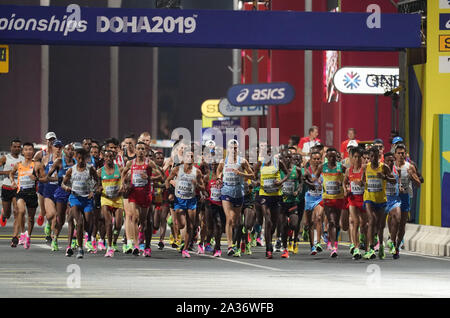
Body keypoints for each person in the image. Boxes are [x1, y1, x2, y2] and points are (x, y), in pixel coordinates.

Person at [121, 142, 162, 257]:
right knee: (134, 218)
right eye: (138, 149)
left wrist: (149, 177)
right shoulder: (131, 163)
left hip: (146, 195)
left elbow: (161, 176)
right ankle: (136, 246)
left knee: (143, 222)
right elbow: (123, 172)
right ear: (135, 150)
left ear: (145, 151)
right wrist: (123, 184)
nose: (140, 151)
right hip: (134, 194)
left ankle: (141, 238)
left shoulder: (150, 163)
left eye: (142, 149)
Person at [217, 139, 254, 256]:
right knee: (230, 218)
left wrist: (241, 174)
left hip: (238, 192)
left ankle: (241, 240)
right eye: (231, 148)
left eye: (235, 148)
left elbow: (252, 175)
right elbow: (218, 171)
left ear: (238, 149)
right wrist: (219, 178)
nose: (233, 150)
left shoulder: (242, 161)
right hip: (226, 191)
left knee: (236, 222)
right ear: (228, 149)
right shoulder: (223, 161)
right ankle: (230, 245)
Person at [165, 150, 205, 258]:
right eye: (187, 156)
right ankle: (181, 232)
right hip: (179, 200)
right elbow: (167, 180)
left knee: (190, 225)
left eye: (192, 156)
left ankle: (185, 249)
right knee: (182, 224)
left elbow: (203, 187)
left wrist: (196, 184)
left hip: (191, 200)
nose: (189, 158)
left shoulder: (197, 172)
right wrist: (171, 192)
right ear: (184, 158)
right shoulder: (177, 169)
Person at [62, 148, 99, 259]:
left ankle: (83, 236)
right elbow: (63, 184)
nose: (81, 160)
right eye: (79, 158)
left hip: (87, 199)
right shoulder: (71, 170)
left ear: (86, 158)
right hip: (75, 199)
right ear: (75, 158)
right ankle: (80, 249)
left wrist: (93, 191)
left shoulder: (90, 169)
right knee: (79, 222)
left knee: (88, 225)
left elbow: (98, 181)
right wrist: (66, 188)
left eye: (83, 158)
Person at [253, 145, 289, 259]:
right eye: (266, 152)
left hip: (276, 196)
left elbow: (287, 173)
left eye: (270, 152)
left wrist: (281, 181)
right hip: (264, 195)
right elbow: (254, 177)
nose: (268, 154)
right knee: (267, 220)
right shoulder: (260, 164)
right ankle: (268, 248)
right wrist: (257, 182)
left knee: (273, 223)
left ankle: (270, 238)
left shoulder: (278, 162)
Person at [362, 146, 395, 260]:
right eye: (372, 156)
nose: (374, 158)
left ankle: (381, 245)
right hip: (369, 198)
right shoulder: (366, 167)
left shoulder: (384, 167)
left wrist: (384, 177)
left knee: (380, 226)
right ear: (369, 157)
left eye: (376, 156)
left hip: (381, 200)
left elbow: (394, 180)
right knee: (371, 220)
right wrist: (360, 184)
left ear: (379, 156)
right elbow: (363, 181)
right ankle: (371, 248)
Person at [8, 142, 40, 249]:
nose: (28, 152)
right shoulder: (19, 164)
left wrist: (37, 179)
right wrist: (12, 181)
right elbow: (11, 173)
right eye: (26, 150)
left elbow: (44, 178)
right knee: (20, 211)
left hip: (32, 194)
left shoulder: (36, 165)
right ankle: (15, 237)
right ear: (23, 152)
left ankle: (28, 236)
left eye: (30, 150)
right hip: (20, 192)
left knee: (30, 218)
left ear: (33, 151)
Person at [45, 143, 76, 251]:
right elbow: (47, 177)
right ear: (64, 151)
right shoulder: (59, 162)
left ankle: (72, 241)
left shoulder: (76, 163)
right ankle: (55, 239)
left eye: (73, 149)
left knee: (72, 217)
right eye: (68, 149)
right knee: (61, 219)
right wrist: (58, 180)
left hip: (73, 192)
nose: (71, 151)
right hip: (61, 192)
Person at [319, 148, 346, 258]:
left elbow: (348, 178)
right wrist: (313, 182)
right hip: (327, 198)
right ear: (326, 157)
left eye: (334, 156)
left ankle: (333, 240)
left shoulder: (341, 167)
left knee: (337, 223)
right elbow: (315, 177)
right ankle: (334, 248)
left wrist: (343, 183)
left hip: (339, 198)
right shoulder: (323, 167)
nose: (332, 158)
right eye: (329, 156)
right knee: (331, 221)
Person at [394, 144, 421, 252]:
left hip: (405, 196)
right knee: (395, 219)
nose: (401, 155)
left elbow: (418, 184)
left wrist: (412, 177)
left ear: (405, 154)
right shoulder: (391, 166)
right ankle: (391, 239)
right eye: (399, 153)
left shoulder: (409, 167)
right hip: (393, 197)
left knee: (402, 224)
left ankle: (398, 244)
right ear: (395, 154)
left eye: (403, 153)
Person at [97, 150, 124, 257]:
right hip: (106, 199)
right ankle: (109, 247)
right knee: (108, 223)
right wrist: (98, 188)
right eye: (106, 156)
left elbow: (124, 182)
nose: (108, 158)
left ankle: (113, 241)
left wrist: (122, 188)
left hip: (117, 199)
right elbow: (96, 185)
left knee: (118, 224)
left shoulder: (120, 169)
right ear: (104, 158)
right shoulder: (100, 171)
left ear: (114, 157)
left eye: (110, 156)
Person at [343, 146, 366, 260]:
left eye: (359, 157)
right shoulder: (348, 170)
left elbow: (367, 183)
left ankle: (362, 241)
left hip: (363, 199)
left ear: (362, 158)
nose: (357, 159)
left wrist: (363, 184)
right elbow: (345, 182)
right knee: (355, 222)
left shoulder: (365, 169)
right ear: (351, 158)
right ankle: (356, 247)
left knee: (363, 223)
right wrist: (345, 190)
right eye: (355, 157)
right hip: (352, 199)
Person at [279, 151, 303, 258]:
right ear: (282, 158)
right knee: (283, 226)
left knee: (293, 224)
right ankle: (285, 249)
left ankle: (290, 236)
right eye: (286, 157)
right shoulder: (278, 170)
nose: (288, 159)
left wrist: (298, 191)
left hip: (293, 201)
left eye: (290, 157)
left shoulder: (297, 170)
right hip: (281, 202)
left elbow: (301, 182)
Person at [33, 132, 57, 228]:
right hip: (43, 184)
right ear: (46, 141)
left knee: (53, 210)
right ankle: (44, 217)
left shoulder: (58, 153)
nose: (51, 141)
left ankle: (49, 225)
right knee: (44, 210)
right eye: (49, 140)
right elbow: (33, 168)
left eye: (53, 139)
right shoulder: (40, 154)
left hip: (54, 184)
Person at [303, 151, 324, 255]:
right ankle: (312, 246)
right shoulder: (307, 171)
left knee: (318, 218)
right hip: (308, 198)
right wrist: (311, 183)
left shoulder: (323, 170)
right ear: (310, 160)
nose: (316, 161)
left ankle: (318, 243)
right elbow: (304, 181)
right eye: (314, 159)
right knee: (309, 223)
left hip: (319, 198)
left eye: (318, 159)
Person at [0, 139, 24, 228]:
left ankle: (15, 236)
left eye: (18, 147)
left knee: (17, 211)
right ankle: (3, 214)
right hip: (6, 187)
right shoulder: (5, 158)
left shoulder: (23, 159)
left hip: (17, 188)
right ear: (11, 147)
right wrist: (7, 172)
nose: (17, 148)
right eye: (15, 147)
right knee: (7, 214)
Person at [383, 152, 402, 259]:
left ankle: (392, 241)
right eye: (388, 161)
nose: (390, 163)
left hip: (394, 200)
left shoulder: (396, 170)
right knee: (380, 225)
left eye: (392, 160)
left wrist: (400, 187)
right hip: (383, 200)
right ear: (384, 161)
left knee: (397, 219)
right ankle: (377, 245)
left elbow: (397, 182)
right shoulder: (380, 169)